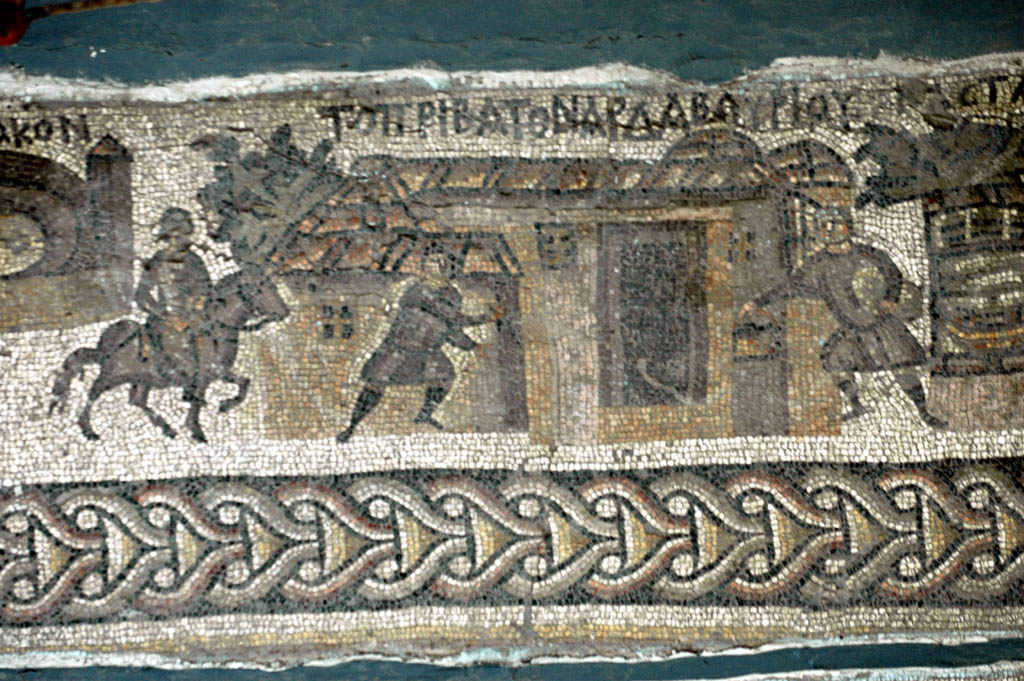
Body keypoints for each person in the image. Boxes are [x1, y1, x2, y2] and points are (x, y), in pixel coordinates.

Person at [739, 207, 946, 429]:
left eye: (835, 224)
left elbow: (892, 273)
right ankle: (856, 405)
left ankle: (924, 412)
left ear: (847, 226)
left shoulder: (868, 253)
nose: (830, 230)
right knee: (834, 359)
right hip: (852, 329)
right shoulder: (817, 264)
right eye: (823, 226)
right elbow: (790, 287)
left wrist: (890, 298)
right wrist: (758, 302)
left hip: (881, 324)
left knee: (902, 365)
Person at [336, 251, 496, 443]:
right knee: (375, 383)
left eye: (438, 261)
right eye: (429, 261)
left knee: (444, 376)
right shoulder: (419, 290)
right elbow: (449, 315)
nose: (432, 264)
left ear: (448, 267)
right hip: (399, 347)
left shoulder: (452, 294)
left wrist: (471, 345)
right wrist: (485, 318)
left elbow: (450, 328)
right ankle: (351, 427)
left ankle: (425, 414)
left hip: (429, 350)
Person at [135, 208, 213, 403]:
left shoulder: (194, 261)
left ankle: (196, 383)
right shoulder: (158, 260)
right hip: (163, 318)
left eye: (183, 235)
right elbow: (142, 294)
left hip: (191, 317)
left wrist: (191, 314)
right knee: (168, 344)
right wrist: (163, 315)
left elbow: (206, 291)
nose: (178, 240)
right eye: (174, 235)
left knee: (209, 343)